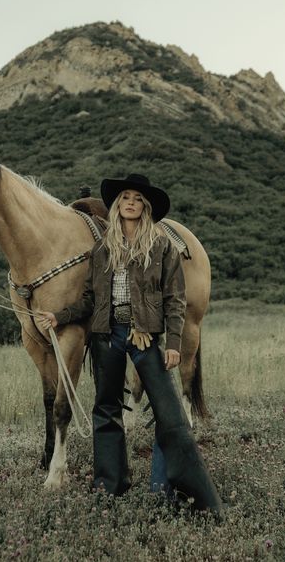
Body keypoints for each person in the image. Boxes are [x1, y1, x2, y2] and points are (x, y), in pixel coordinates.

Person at [39, 174, 223, 514]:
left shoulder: (161, 246)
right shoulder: (102, 249)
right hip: (107, 336)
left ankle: (173, 489)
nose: (130, 202)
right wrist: (60, 317)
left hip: (145, 337)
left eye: (137, 198)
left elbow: (175, 299)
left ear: (145, 207)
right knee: (106, 411)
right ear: (117, 205)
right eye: (125, 197)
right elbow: (90, 300)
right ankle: (109, 487)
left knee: (169, 415)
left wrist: (173, 343)